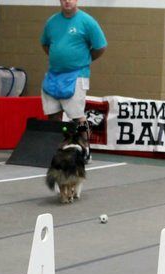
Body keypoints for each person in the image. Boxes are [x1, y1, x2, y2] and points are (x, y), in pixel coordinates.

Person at [41, 0, 106, 162]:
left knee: (78, 116)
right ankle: (56, 148)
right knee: (53, 114)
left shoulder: (87, 21)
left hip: (77, 75)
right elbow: (45, 44)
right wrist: (60, 58)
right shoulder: (52, 22)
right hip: (54, 75)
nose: (67, 1)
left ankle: (85, 148)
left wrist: (84, 60)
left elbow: (100, 47)